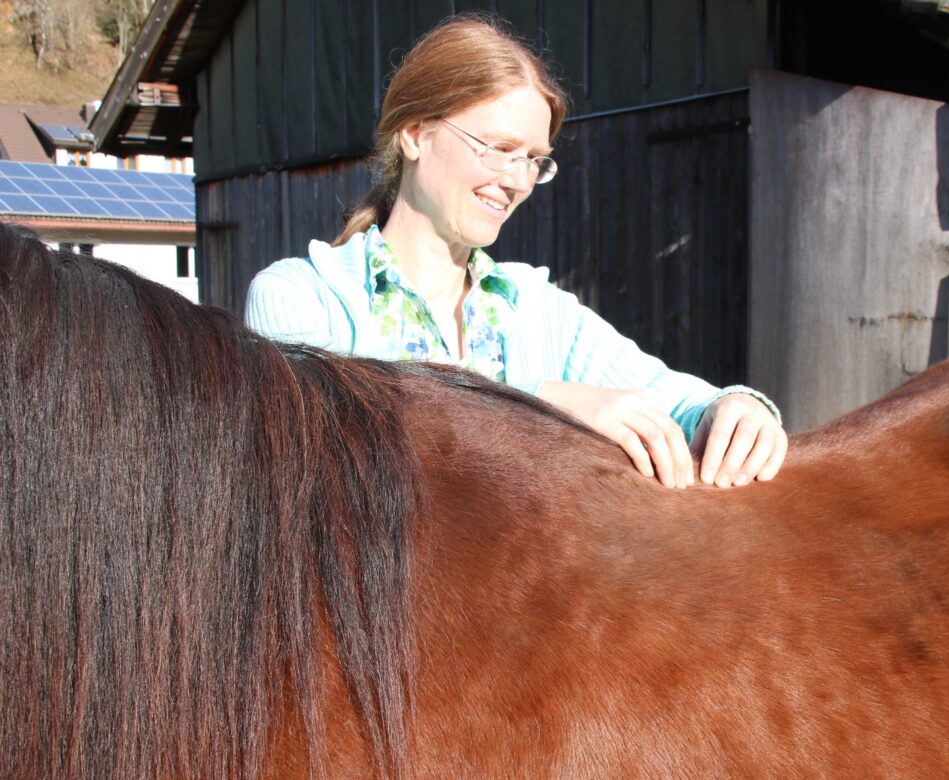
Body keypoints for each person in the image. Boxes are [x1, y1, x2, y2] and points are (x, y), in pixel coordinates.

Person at [245, 15, 787, 490]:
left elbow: (664, 393)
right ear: (414, 134)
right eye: (499, 149)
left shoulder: (532, 308)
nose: (517, 181)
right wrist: (543, 405)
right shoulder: (299, 298)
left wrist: (731, 408)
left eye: (534, 160)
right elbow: (325, 453)